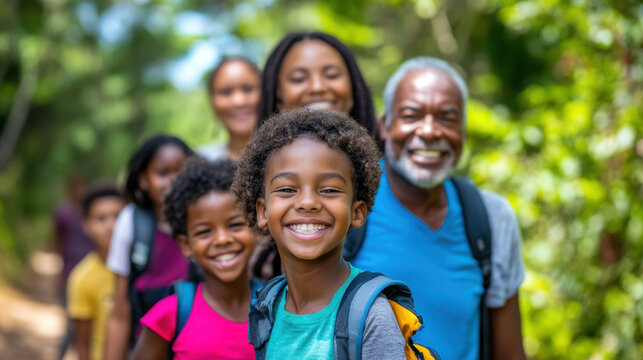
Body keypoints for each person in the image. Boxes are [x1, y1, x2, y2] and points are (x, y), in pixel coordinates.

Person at [348, 57, 527, 360]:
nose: (429, 131)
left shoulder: (491, 218)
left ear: (464, 131)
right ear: (385, 125)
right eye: (411, 115)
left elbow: (510, 352)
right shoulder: (347, 205)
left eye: (446, 117)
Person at [232, 110, 430, 360]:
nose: (307, 202)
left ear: (357, 212)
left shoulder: (370, 316)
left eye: (328, 189)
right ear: (263, 211)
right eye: (286, 189)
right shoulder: (266, 306)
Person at [253, 32, 380, 279]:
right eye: (299, 78)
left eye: (332, 75)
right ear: (277, 95)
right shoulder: (252, 186)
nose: (318, 87)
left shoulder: (395, 183)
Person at [130, 157, 257, 360]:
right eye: (204, 232)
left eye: (235, 225)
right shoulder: (169, 315)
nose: (222, 239)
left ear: (255, 228)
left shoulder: (279, 306)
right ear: (186, 245)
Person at [104, 135, 193, 360]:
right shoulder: (131, 222)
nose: (173, 181)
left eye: (181, 172)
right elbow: (120, 312)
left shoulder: (204, 222)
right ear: (143, 180)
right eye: (163, 173)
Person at [67, 186, 126, 360]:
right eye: (101, 219)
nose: (111, 225)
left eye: (118, 216)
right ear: (87, 225)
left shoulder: (146, 267)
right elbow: (82, 344)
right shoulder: (82, 278)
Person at [198, 57, 261, 161]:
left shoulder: (289, 157)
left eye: (248, 89)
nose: (239, 101)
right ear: (212, 101)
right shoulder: (199, 163)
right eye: (226, 92)